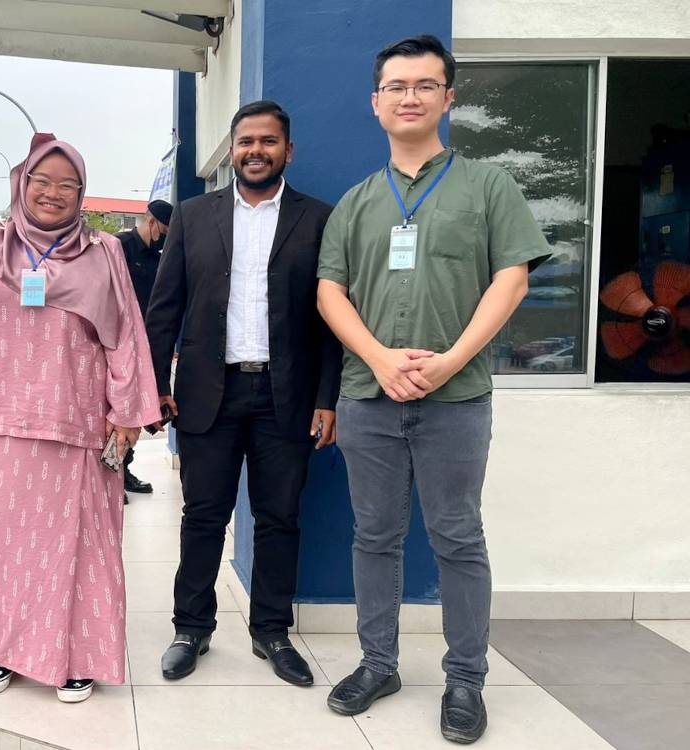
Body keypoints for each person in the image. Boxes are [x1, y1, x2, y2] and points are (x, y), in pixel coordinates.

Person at [316, 35, 550, 744]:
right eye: (396, 86)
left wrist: (449, 362)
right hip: (369, 396)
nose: (409, 97)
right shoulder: (356, 202)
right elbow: (330, 293)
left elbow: (512, 278)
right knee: (374, 536)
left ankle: (466, 680)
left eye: (424, 85)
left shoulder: (488, 186)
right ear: (375, 103)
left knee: (458, 537)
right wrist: (380, 358)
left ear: (448, 98)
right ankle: (378, 664)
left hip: (457, 400)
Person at [0, 128, 160, 704]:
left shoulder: (103, 251)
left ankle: (78, 658)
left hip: (78, 420)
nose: (53, 193)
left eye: (67, 184)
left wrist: (126, 412)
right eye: (42, 181)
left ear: (81, 193)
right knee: (6, 544)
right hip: (4, 420)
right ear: (21, 184)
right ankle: (7, 650)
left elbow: (125, 332)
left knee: (81, 545)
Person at [145, 100, 342, 687]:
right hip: (209, 392)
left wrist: (327, 397)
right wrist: (155, 385)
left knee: (280, 518)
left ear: (288, 150)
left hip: (288, 396)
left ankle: (272, 631)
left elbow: (333, 317)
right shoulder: (193, 215)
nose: (256, 151)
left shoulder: (319, 219)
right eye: (246, 141)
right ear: (232, 150)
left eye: (268, 141)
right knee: (203, 515)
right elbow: (164, 308)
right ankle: (191, 628)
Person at [115, 198, 173, 496]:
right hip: (117, 343)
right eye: (164, 231)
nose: (165, 238)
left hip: (146, 344)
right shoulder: (119, 247)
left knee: (138, 410)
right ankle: (111, 475)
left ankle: (123, 469)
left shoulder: (158, 258)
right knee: (117, 410)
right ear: (151, 222)